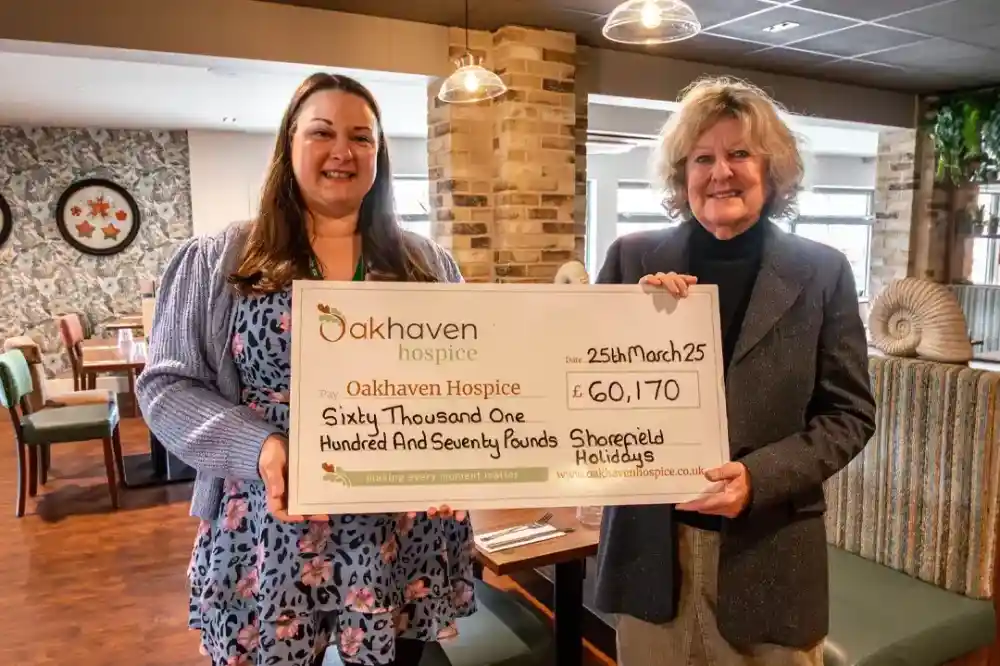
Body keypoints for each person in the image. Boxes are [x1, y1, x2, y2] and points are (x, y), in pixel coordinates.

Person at [136, 73, 477, 666]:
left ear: (380, 155)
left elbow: (468, 380)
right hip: (269, 529)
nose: (342, 150)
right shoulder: (222, 257)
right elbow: (167, 387)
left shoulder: (426, 262)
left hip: (398, 533)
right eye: (322, 132)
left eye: (361, 137)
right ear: (289, 144)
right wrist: (259, 445)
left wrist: (460, 463)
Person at [592, 76, 877, 666]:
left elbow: (850, 414)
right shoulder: (631, 259)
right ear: (682, 175)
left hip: (770, 556)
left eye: (739, 153)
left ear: (772, 170)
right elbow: (580, 389)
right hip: (649, 557)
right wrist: (630, 321)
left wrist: (758, 477)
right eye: (702, 158)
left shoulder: (823, 271)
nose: (720, 171)